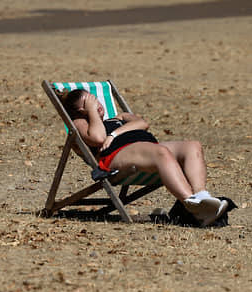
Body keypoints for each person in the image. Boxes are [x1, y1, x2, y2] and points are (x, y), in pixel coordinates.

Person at [61, 88, 228, 226]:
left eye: (95, 100)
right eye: (89, 103)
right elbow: (98, 138)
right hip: (117, 156)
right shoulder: (80, 124)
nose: (96, 104)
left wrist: (114, 134)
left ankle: (202, 197)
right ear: (81, 111)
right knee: (161, 153)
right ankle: (190, 203)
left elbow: (142, 124)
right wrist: (92, 113)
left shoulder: (119, 117)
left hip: (147, 148)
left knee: (192, 146)